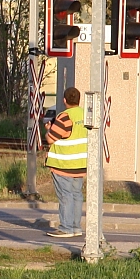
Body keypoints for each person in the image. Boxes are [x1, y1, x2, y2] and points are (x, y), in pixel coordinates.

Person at [44, 86, 87, 238]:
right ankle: (76, 226)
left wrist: (49, 128)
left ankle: (66, 227)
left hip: (64, 164)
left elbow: (51, 138)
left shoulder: (65, 117)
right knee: (77, 195)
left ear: (64, 100)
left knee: (65, 195)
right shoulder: (85, 115)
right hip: (80, 164)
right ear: (79, 100)